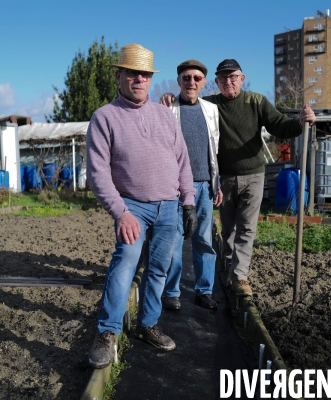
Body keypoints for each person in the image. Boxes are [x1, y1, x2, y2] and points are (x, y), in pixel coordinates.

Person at [161, 59, 316, 297]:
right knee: (228, 230)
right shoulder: (210, 105)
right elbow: (188, 101)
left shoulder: (256, 102)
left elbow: (279, 125)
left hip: (253, 174)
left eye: (233, 77)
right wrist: (170, 98)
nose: (228, 82)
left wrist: (300, 122)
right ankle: (227, 269)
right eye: (223, 79)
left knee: (246, 228)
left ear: (242, 79)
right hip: (223, 177)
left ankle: (239, 276)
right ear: (215, 82)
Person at [86, 43, 197, 369]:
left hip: (168, 207)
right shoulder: (105, 117)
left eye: (144, 74)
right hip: (133, 207)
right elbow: (97, 173)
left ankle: (147, 324)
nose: (138, 79)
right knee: (124, 266)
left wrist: (188, 202)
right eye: (132, 73)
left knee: (160, 269)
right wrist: (121, 212)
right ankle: (107, 332)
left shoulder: (164, 115)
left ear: (150, 79)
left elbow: (182, 161)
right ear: (119, 76)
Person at [161, 60, 222, 311]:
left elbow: (215, 150)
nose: (192, 82)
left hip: (206, 186)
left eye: (197, 78)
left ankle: (204, 290)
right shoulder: (166, 108)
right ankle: (172, 291)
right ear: (179, 81)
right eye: (186, 78)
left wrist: (217, 183)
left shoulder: (211, 110)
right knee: (174, 241)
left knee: (204, 239)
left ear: (204, 82)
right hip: (175, 187)